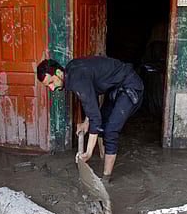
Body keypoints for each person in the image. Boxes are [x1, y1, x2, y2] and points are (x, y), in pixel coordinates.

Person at [37, 56, 144, 184]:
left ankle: (105, 179)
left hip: (130, 86)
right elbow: (91, 101)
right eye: (47, 85)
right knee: (102, 122)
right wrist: (86, 123)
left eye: (51, 82)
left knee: (110, 131)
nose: (51, 88)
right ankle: (104, 157)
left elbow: (95, 117)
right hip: (115, 87)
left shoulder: (77, 81)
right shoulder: (71, 70)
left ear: (58, 73)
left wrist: (88, 153)